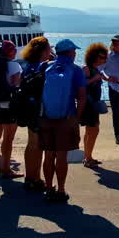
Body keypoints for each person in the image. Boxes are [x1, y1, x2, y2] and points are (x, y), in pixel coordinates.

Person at [38, 39, 86, 202]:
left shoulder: (44, 67)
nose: (75, 53)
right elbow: (81, 97)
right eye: (74, 51)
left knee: (48, 155)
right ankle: (61, 190)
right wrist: (76, 117)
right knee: (61, 156)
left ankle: (49, 188)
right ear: (71, 52)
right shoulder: (76, 70)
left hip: (46, 117)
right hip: (66, 117)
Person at [19, 36, 52, 192]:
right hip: (39, 108)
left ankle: (29, 177)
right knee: (38, 145)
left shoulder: (27, 66)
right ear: (44, 50)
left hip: (27, 107)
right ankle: (36, 178)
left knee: (31, 143)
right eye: (49, 48)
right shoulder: (44, 67)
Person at [0, 40, 23, 177]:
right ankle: (6, 169)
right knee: (8, 139)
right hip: (9, 104)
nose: (15, 52)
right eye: (14, 50)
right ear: (9, 51)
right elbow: (16, 84)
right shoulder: (14, 65)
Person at [80, 42, 109, 168]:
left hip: (93, 104)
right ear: (94, 56)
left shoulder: (96, 69)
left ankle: (88, 156)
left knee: (91, 131)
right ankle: (87, 158)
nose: (104, 59)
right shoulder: (86, 69)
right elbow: (82, 85)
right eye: (102, 57)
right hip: (88, 104)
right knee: (93, 130)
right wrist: (95, 78)